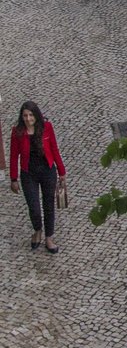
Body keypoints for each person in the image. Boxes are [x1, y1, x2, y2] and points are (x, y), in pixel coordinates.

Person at [9, 102, 66, 255]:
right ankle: (37, 230)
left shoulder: (47, 127)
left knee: (49, 204)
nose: (28, 118)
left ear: (36, 115)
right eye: (25, 115)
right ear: (22, 117)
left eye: (31, 115)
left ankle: (49, 237)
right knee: (33, 206)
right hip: (29, 173)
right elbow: (14, 156)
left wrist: (62, 171)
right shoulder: (17, 132)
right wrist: (13, 178)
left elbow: (54, 149)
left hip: (47, 171)